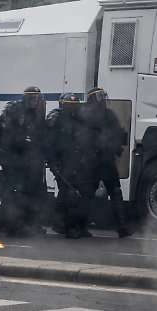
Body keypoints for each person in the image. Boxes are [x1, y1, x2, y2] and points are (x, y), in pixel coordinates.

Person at [47, 93, 98, 239]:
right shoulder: (56, 119)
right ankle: (69, 227)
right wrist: (53, 163)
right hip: (64, 164)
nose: (72, 108)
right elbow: (49, 144)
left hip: (79, 163)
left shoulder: (80, 119)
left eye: (74, 105)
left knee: (85, 195)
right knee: (69, 196)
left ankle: (80, 226)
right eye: (69, 105)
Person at [83, 87, 132, 238]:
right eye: (99, 96)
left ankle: (81, 226)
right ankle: (121, 227)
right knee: (112, 193)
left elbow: (118, 134)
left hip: (97, 161)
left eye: (103, 96)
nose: (103, 99)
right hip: (101, 161)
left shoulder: (88, 115)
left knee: (91, 195)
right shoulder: (100, 115)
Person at [0, 86, 47, 237]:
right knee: (15, 194)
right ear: (26, 98)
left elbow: (39, 134)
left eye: (37, 98)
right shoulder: (15, 110)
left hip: (30, 159)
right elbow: (7, 135)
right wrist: (22, 140)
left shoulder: (37, 113)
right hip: (14, 158)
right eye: (32, 97)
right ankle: (12, 226)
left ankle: (30, 224)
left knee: (33, 192)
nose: (35, 101)